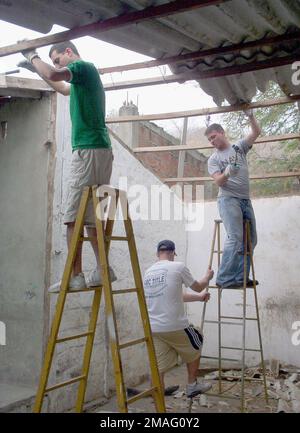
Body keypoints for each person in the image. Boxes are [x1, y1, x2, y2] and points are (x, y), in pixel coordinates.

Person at [19, 41, 115, 291]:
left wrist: (33, 57)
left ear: (69, 53)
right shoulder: (83, 81)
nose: (56, 64)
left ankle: (75, 276)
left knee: (72, 216)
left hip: (87, 150)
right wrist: (37, 70)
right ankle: (103, 270)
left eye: (57, 59)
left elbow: (52, 74)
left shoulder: (83, 67)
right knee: (92, 217)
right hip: (99, 150)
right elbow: (61, 87)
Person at [143, 240, 214, 398]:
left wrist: (199, 298)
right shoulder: (178, 266)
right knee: (198, 337)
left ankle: (157, 393)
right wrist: (207, 277)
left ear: (157, 254)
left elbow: (175, 295)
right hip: (174, 325)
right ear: (172, 253)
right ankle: (192, 385)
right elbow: (198, 286)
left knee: (158, 366)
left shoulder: (148, 272)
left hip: (154, 328)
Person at [206, 110, 261, 289]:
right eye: (210, 140)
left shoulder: (238, 148)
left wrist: (250, 116)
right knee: (235, 237)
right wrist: (228, 171)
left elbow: (255, 133)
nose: (212, 142)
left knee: (251, 239)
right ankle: (224, 278)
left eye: (213, 137)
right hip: (228, 199)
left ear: (222, 132)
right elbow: (218, 181)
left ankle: (241, 278)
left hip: (245, 200)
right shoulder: (213, 159)